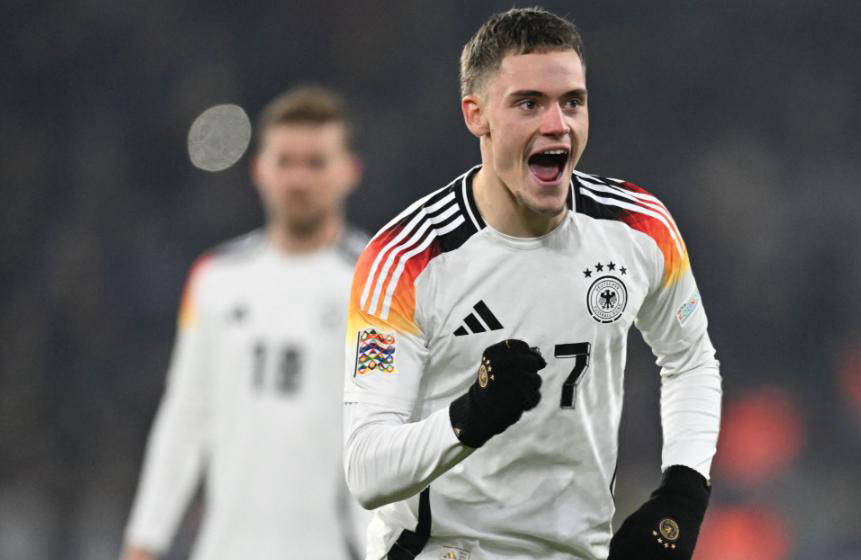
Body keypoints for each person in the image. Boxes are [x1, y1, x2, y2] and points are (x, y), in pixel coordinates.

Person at [342, 7, 721, 560]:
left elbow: (690, 359)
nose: (557, 124)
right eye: (529, 104)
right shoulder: (406, 260)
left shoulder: (638, 227)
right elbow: (366, 468)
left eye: (573, 102)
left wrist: (682, 496)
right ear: (476, 115)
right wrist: (470, 417)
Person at [122, 86, 369, 560]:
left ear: (348, 172)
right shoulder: (215, 278)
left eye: (316, 163)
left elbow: (380, 434)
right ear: (260, 170)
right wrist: (144, 541)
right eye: (285, 162)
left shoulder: (375, 288)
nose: (299, 178)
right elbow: (185, 415)